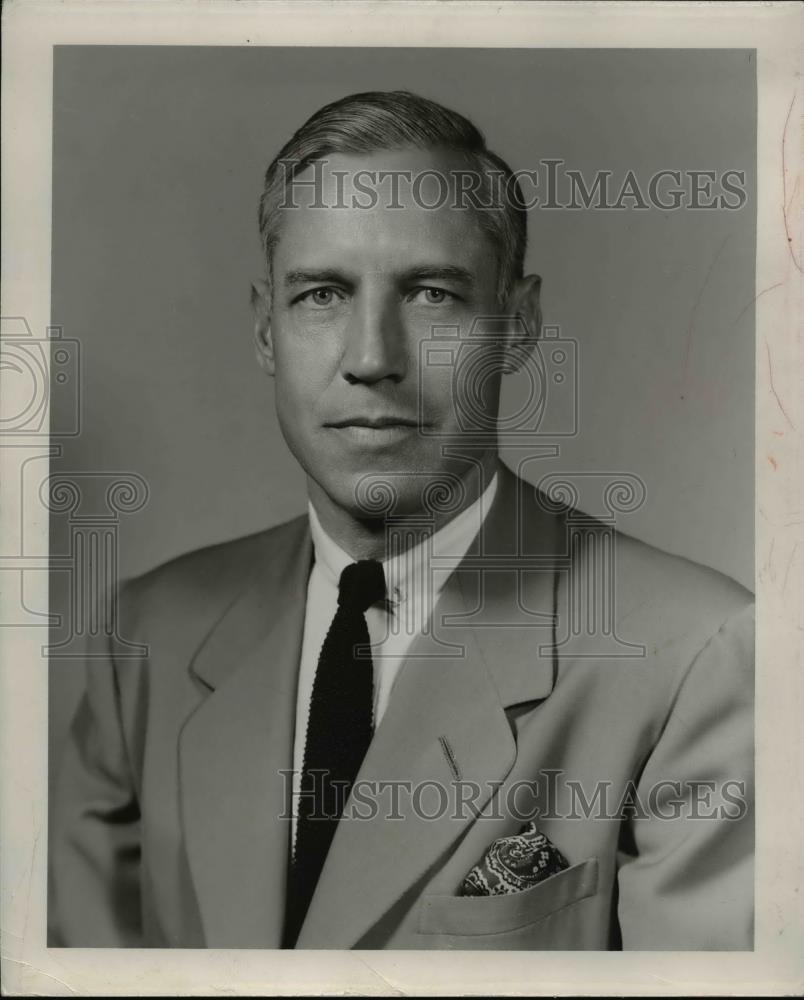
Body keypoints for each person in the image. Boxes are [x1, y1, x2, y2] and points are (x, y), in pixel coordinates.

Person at [49, 90, 754, 950]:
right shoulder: (146, 637)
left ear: (519, 324)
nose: (373, 358)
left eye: (430, 294)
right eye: (321, 295)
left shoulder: (698, 654)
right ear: (266, 330)